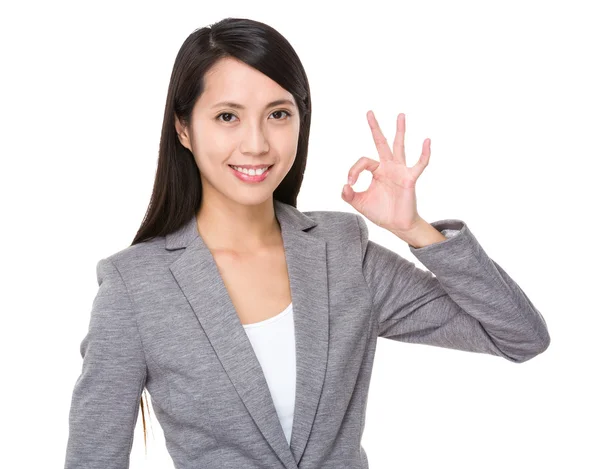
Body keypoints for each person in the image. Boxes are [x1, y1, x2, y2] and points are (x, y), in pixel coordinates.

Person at [63, 17, 551, 469]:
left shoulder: (341, 253)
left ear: (301, 120)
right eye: (228, 117)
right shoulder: (135, 286)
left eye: (277, 114)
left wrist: (415, 230)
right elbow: (93, 457)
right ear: (184, 128)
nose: (256, 144)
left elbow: (519, 336)